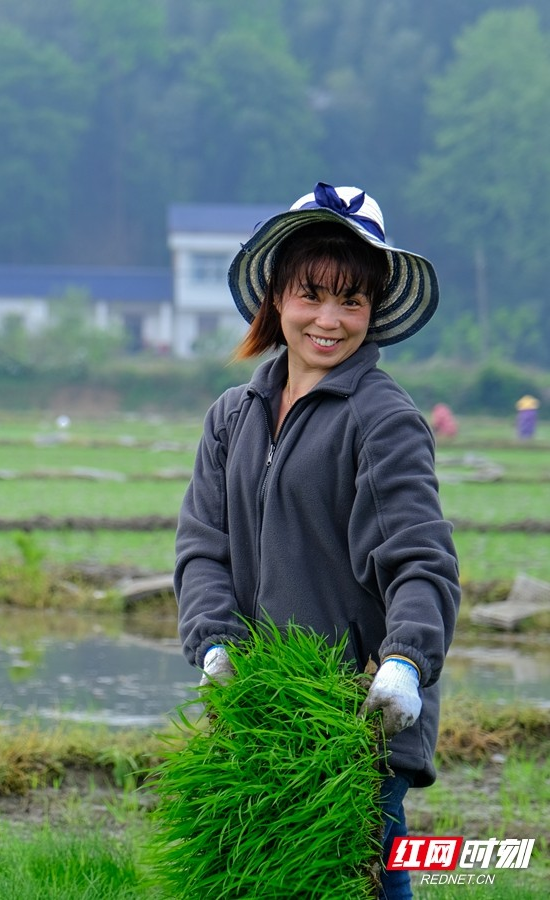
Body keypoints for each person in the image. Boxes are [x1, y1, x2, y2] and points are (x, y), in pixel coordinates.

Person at [175, 182, 461, 899]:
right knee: (260, 877)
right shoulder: (232, 417)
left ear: (374, 311)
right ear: (276, 296)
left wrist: (404, 662)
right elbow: (202, 548)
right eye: (312, 294)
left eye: (352, 301)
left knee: (363, 875)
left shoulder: (381, 419)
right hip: (258, 711)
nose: (330, 320)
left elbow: (422, 562)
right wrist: (214, 644)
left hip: (357, 716)